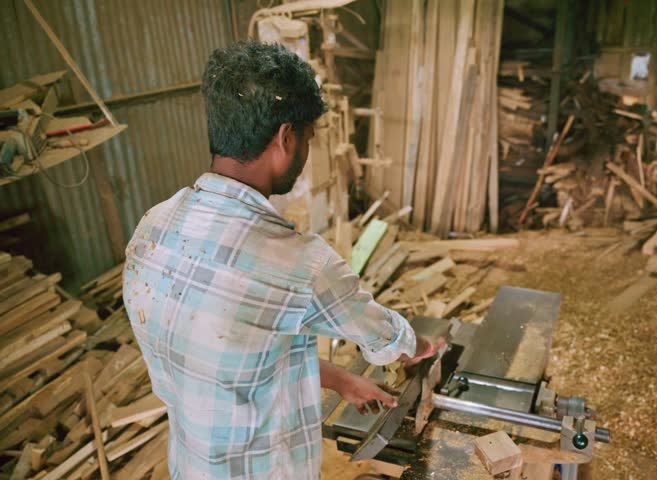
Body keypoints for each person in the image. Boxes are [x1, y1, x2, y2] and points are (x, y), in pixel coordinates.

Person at [122, 41, 441, 479]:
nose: (306, 154)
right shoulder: (298, 263)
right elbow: (383, 337)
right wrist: (420, 346)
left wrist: (341, 380)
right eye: (308, 139)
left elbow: (231, 356)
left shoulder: (154, 226)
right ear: (286, 137)